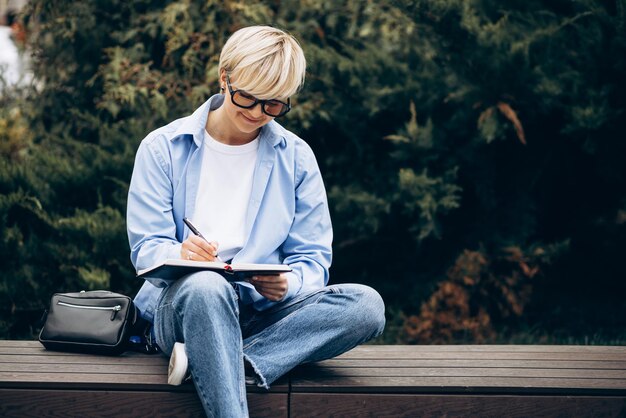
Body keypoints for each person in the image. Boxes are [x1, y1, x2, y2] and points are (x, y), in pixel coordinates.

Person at [127, 25, 385, 417]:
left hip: (264, 315)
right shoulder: (163, 148)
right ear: (224, 77)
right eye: (246, 98)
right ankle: (218, 361)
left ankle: (218, 360)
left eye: (273, 105)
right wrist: (181, 252)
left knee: (366, 305)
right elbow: (146, 249)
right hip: (183, 308)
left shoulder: (296, 158)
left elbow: (313, 259)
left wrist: (288, 284)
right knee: (207, 286)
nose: (255, 114)